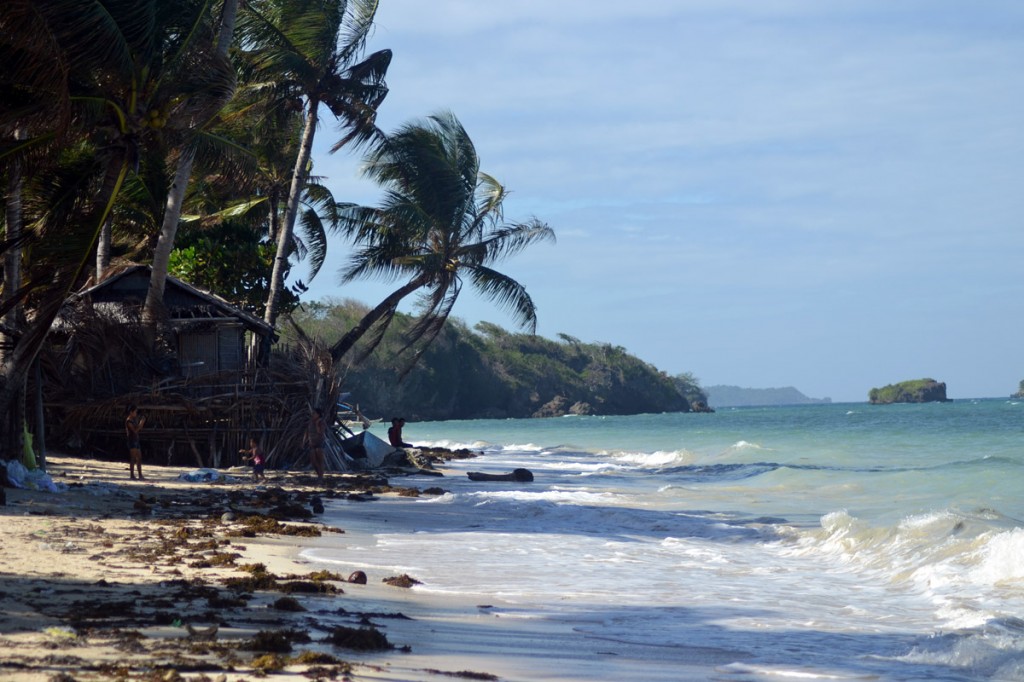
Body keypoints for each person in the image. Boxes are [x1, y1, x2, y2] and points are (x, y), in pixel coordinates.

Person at [305, 406, 326, 482]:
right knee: (313, 461)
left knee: (320, 461)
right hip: (312, 443)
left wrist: (317, 425)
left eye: (314, 413)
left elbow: (321, 432)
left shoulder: (321, 422)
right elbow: (307, 432)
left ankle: (321, 477)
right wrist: (304, 440)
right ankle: (319, 475)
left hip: (319, 442)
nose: (313, 414)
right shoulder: (310, 422)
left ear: (318, 414)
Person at [125, 405, 146, 480]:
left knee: (139, 458)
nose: (136, 413)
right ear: (131, 412)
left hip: (136, 440)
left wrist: (140, 424)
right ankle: (132, 475)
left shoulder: (133, 420)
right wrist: (141, 423)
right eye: (135, 412)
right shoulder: (129, 421)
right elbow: (135, 430)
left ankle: (140, 475)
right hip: (132, 440)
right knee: (133, 458)